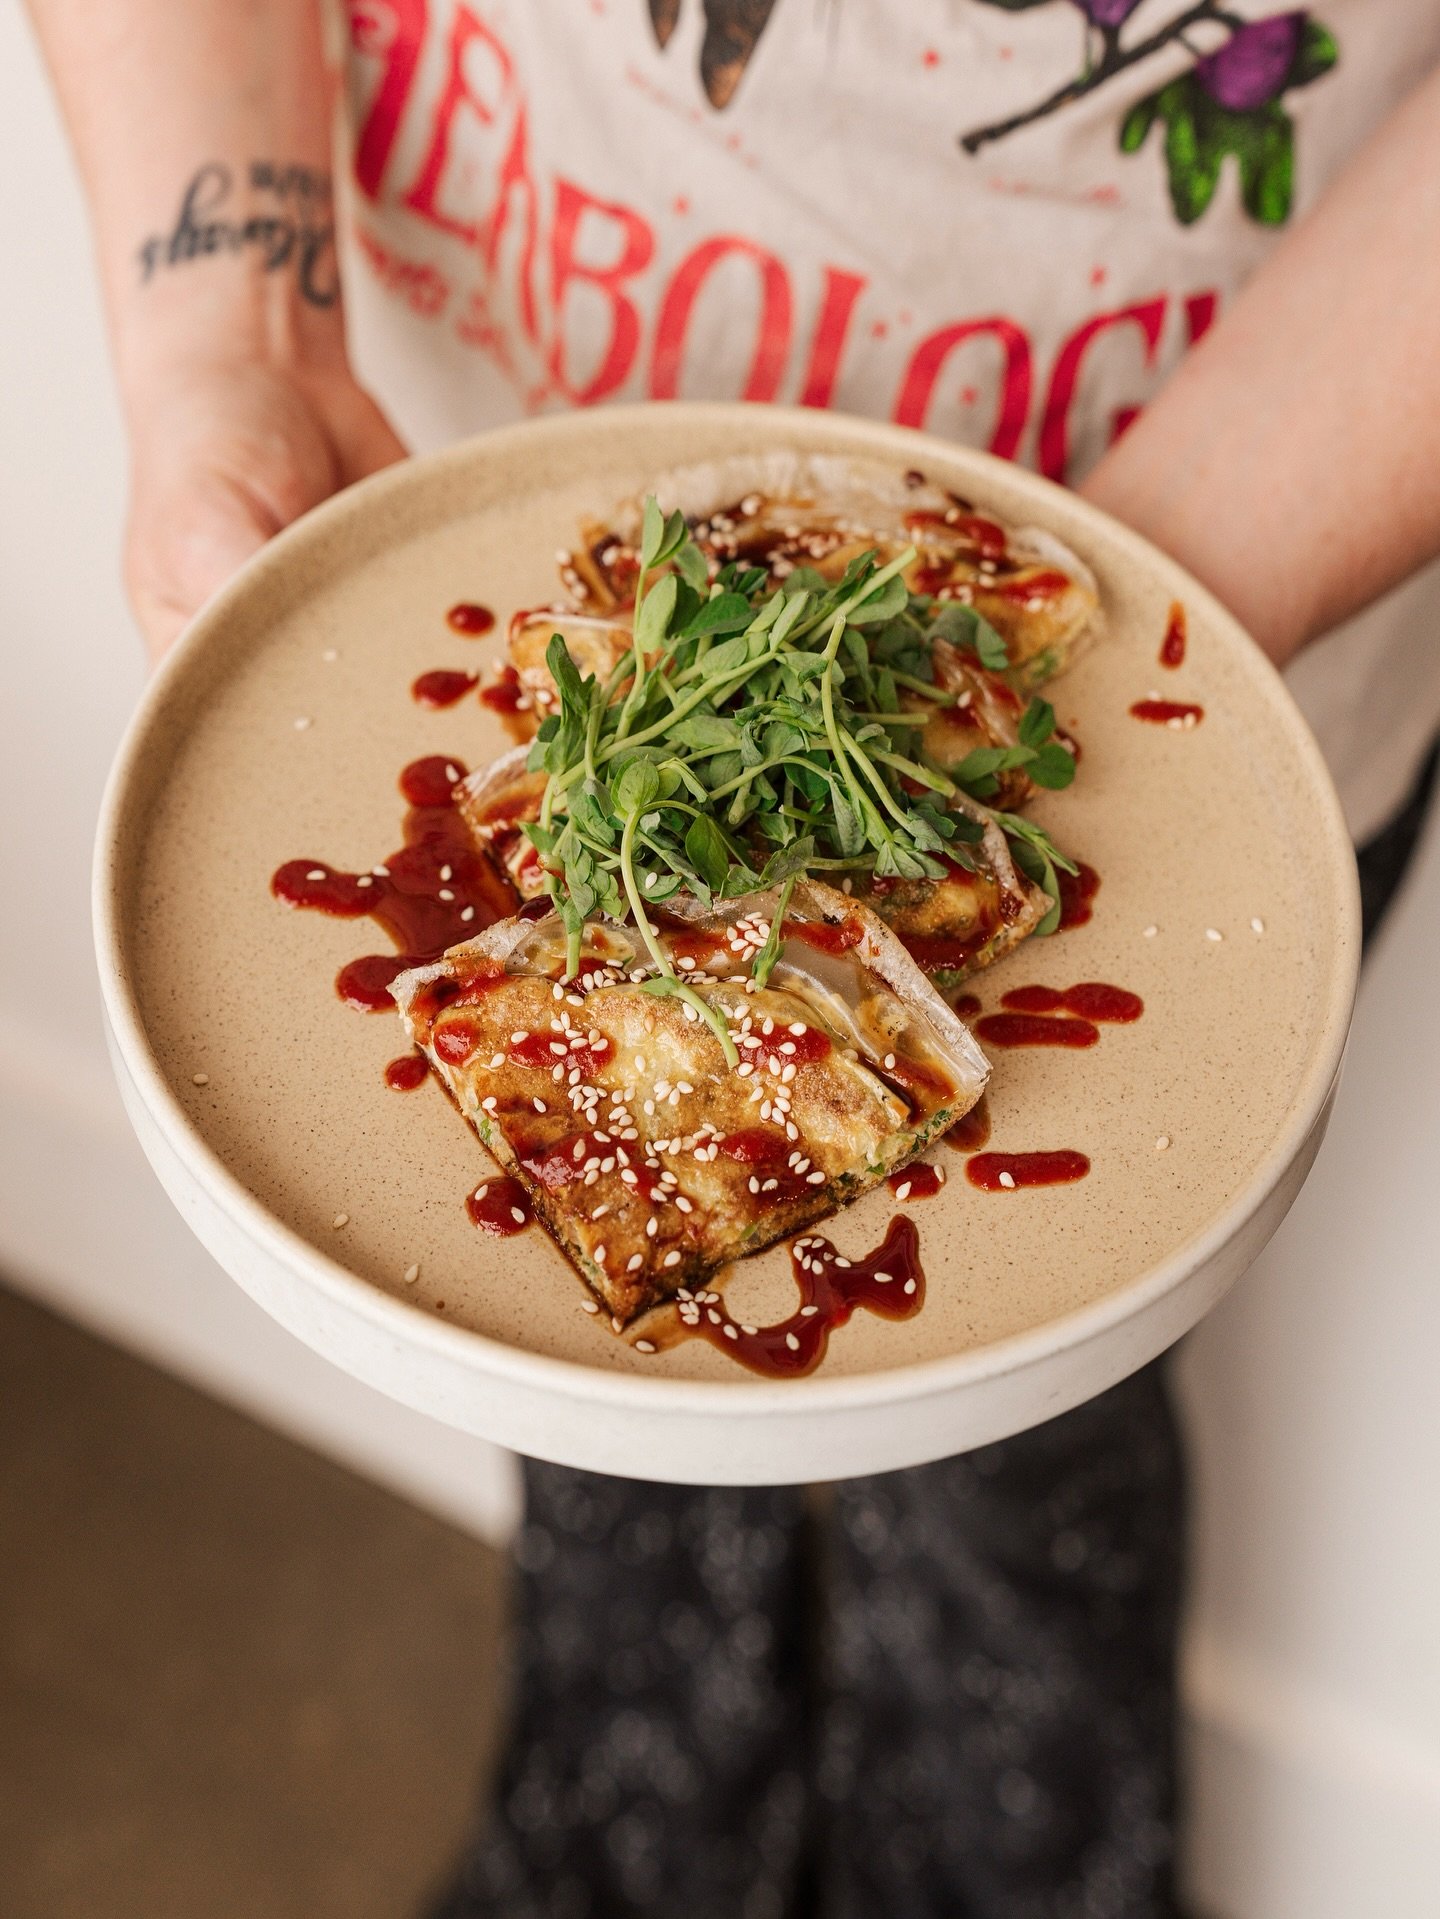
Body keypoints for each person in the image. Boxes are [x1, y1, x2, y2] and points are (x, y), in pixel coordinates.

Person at [27, 3, 1440, 1912]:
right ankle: (625, 1841)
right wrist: (232, 337)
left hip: (1212, 656)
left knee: (1030, 1461)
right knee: (593, 1418)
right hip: (503, 506)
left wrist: (1094, 616)